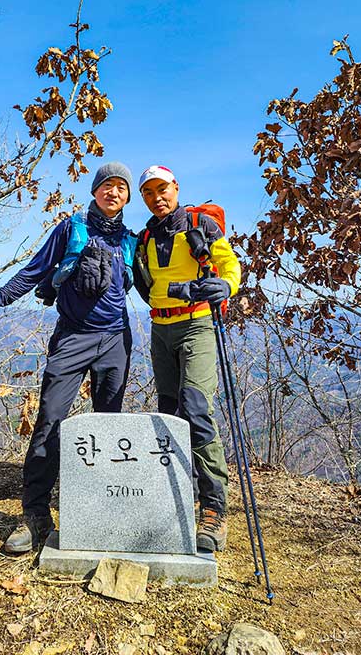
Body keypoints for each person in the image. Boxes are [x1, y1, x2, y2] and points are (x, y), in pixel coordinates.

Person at [0, 162, 137, 553]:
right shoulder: (71, 227)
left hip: (115, 341)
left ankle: (103, 510)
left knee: (108, 429)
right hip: (73, 337)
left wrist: (203, 290)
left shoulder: (130, 240)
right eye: (107, 186)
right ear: (95, 191)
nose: (114, 193)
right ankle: (36, 516)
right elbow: (35, 269)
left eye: (121, 189)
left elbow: (152, 284)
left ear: (127, 197)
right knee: (49, 420)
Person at [133, 165, 241, 552]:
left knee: (196, 408)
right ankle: (173, 492)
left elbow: (230, 265)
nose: (156, 197)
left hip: (197, 325)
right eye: (148, 193)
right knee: (168, 411)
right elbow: (144, 285)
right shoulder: (144, 237)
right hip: (160, 329)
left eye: (162, 189)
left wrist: (224, 285)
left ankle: (213, 507)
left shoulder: (200, 224)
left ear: (175, 188)